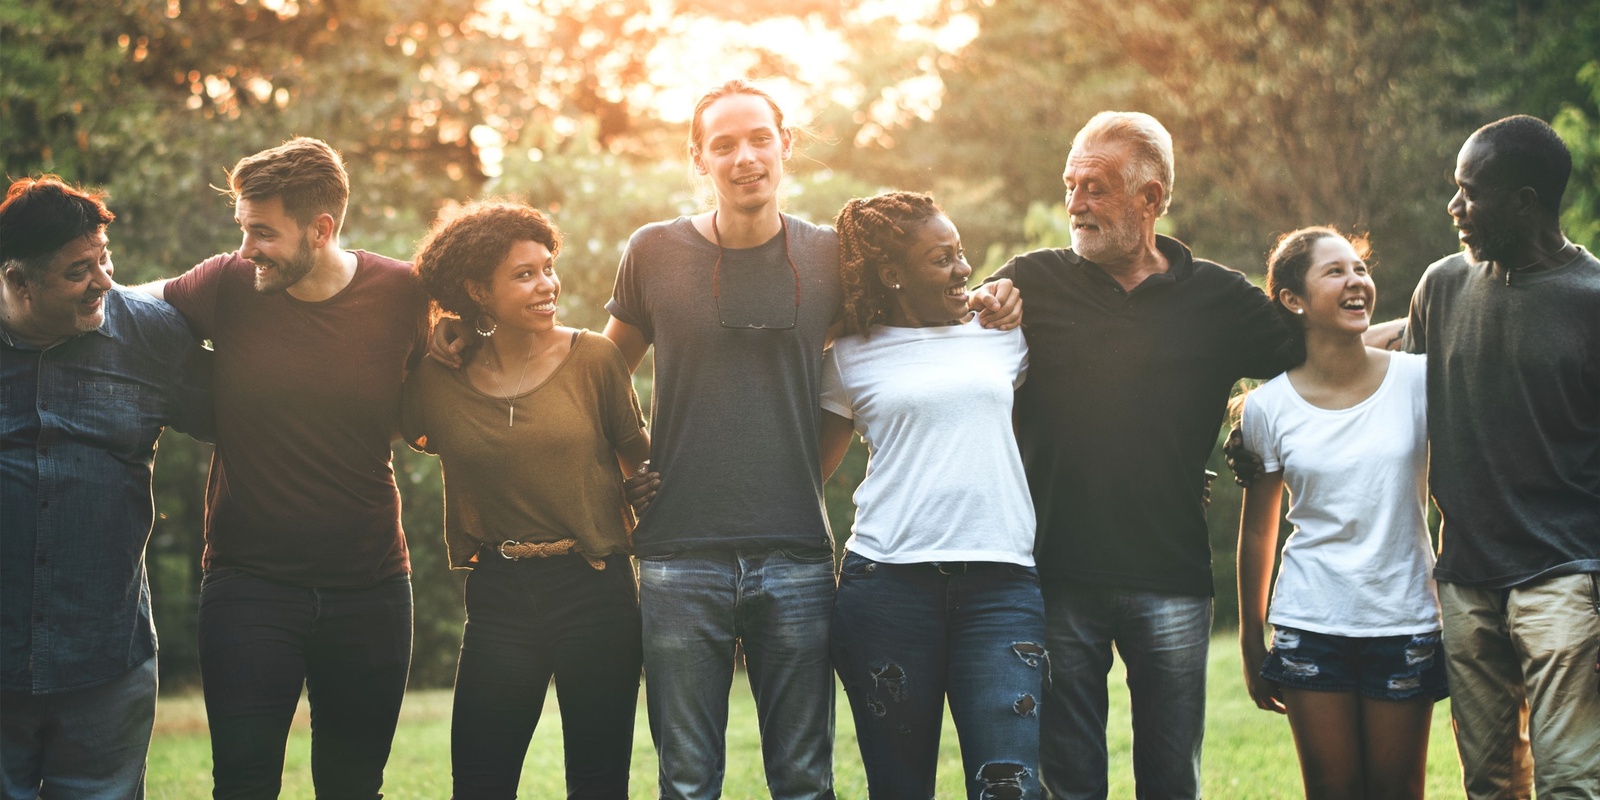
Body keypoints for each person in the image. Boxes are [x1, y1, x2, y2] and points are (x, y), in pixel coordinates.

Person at [427, 78, 1020, 799]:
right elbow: (593, 377)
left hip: (798, 554)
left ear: (785, 145)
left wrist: (995, 294)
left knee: (804, 780)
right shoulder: (653, 253)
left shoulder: (833, 258)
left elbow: (912, 312)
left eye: (759, 138)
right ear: (698, 159)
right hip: (679, 558)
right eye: (724, 144)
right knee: (685, 781)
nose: (745, 157)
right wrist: (474, 334)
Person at [988, 111, 1292, 799]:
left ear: (1150, 199)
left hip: (1172, 578)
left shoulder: (1218, 298)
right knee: (1069, 781)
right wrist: (982, 299)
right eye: (1070, 185)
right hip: (1056, 573)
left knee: (1170, 779)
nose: (1074, 204)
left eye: (1094, 187)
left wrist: (1422, 333)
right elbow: (949, 338)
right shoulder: (1030, 282)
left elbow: (1322, 360)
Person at [137, 137, 429, 799]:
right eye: (242, 229)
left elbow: (447, 376)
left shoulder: (403, 294)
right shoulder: (228, 285)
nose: (246, 249)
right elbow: (129, 308)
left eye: (262, 232)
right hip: (249, 587)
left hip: (371, 587)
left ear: (321, 230)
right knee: (242, 785)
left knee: (354, 786)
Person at [401, 200, 650, 798]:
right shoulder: (437, 378)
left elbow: (640, 462)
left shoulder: (595, 358)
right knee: (481, 782)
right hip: (499, 594)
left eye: (547, 267)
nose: (547, 285)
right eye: (524, 274)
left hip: (595, 587)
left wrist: (649, 490)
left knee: (598, 782)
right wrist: (434, 327)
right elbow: (379, 372)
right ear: (476, 291)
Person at [1395, 116, 1599, 799]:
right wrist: (1266, 406)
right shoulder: (1441, 287)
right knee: (1489, 785)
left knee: (1571, 782)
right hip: (1467, 580)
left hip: (1564, 576)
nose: (1454, 208)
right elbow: (1375, 387)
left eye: (1469, 192)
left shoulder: (1592, 302)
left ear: (1524, 200)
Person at [819, 192, 1045, 799]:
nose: (964, 269)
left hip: (1002, 587)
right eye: (941, 258)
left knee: (1011, 786)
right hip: (888, 587)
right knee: (899, 788)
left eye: (961, 253)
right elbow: (809, 470)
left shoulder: (1004, 335)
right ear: (892, 274)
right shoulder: (847, 356)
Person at [0, 177, 211, 799]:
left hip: (105, 652)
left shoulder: (150, 335)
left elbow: (255, 410)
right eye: (77, 271)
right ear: (18, 281)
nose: (103, 282)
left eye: (104, 260)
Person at [1234, 227, 1444, 800]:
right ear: (1291, 299)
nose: (1356, 282)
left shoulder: (1419, 381)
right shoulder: (1267, 408)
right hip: (1310, 621)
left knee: (1398, 789)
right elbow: (1259, 532)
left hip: (1404, 616)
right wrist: (1253, 642)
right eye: (1335, 272)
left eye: (1360, 269)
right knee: (1332, 788)